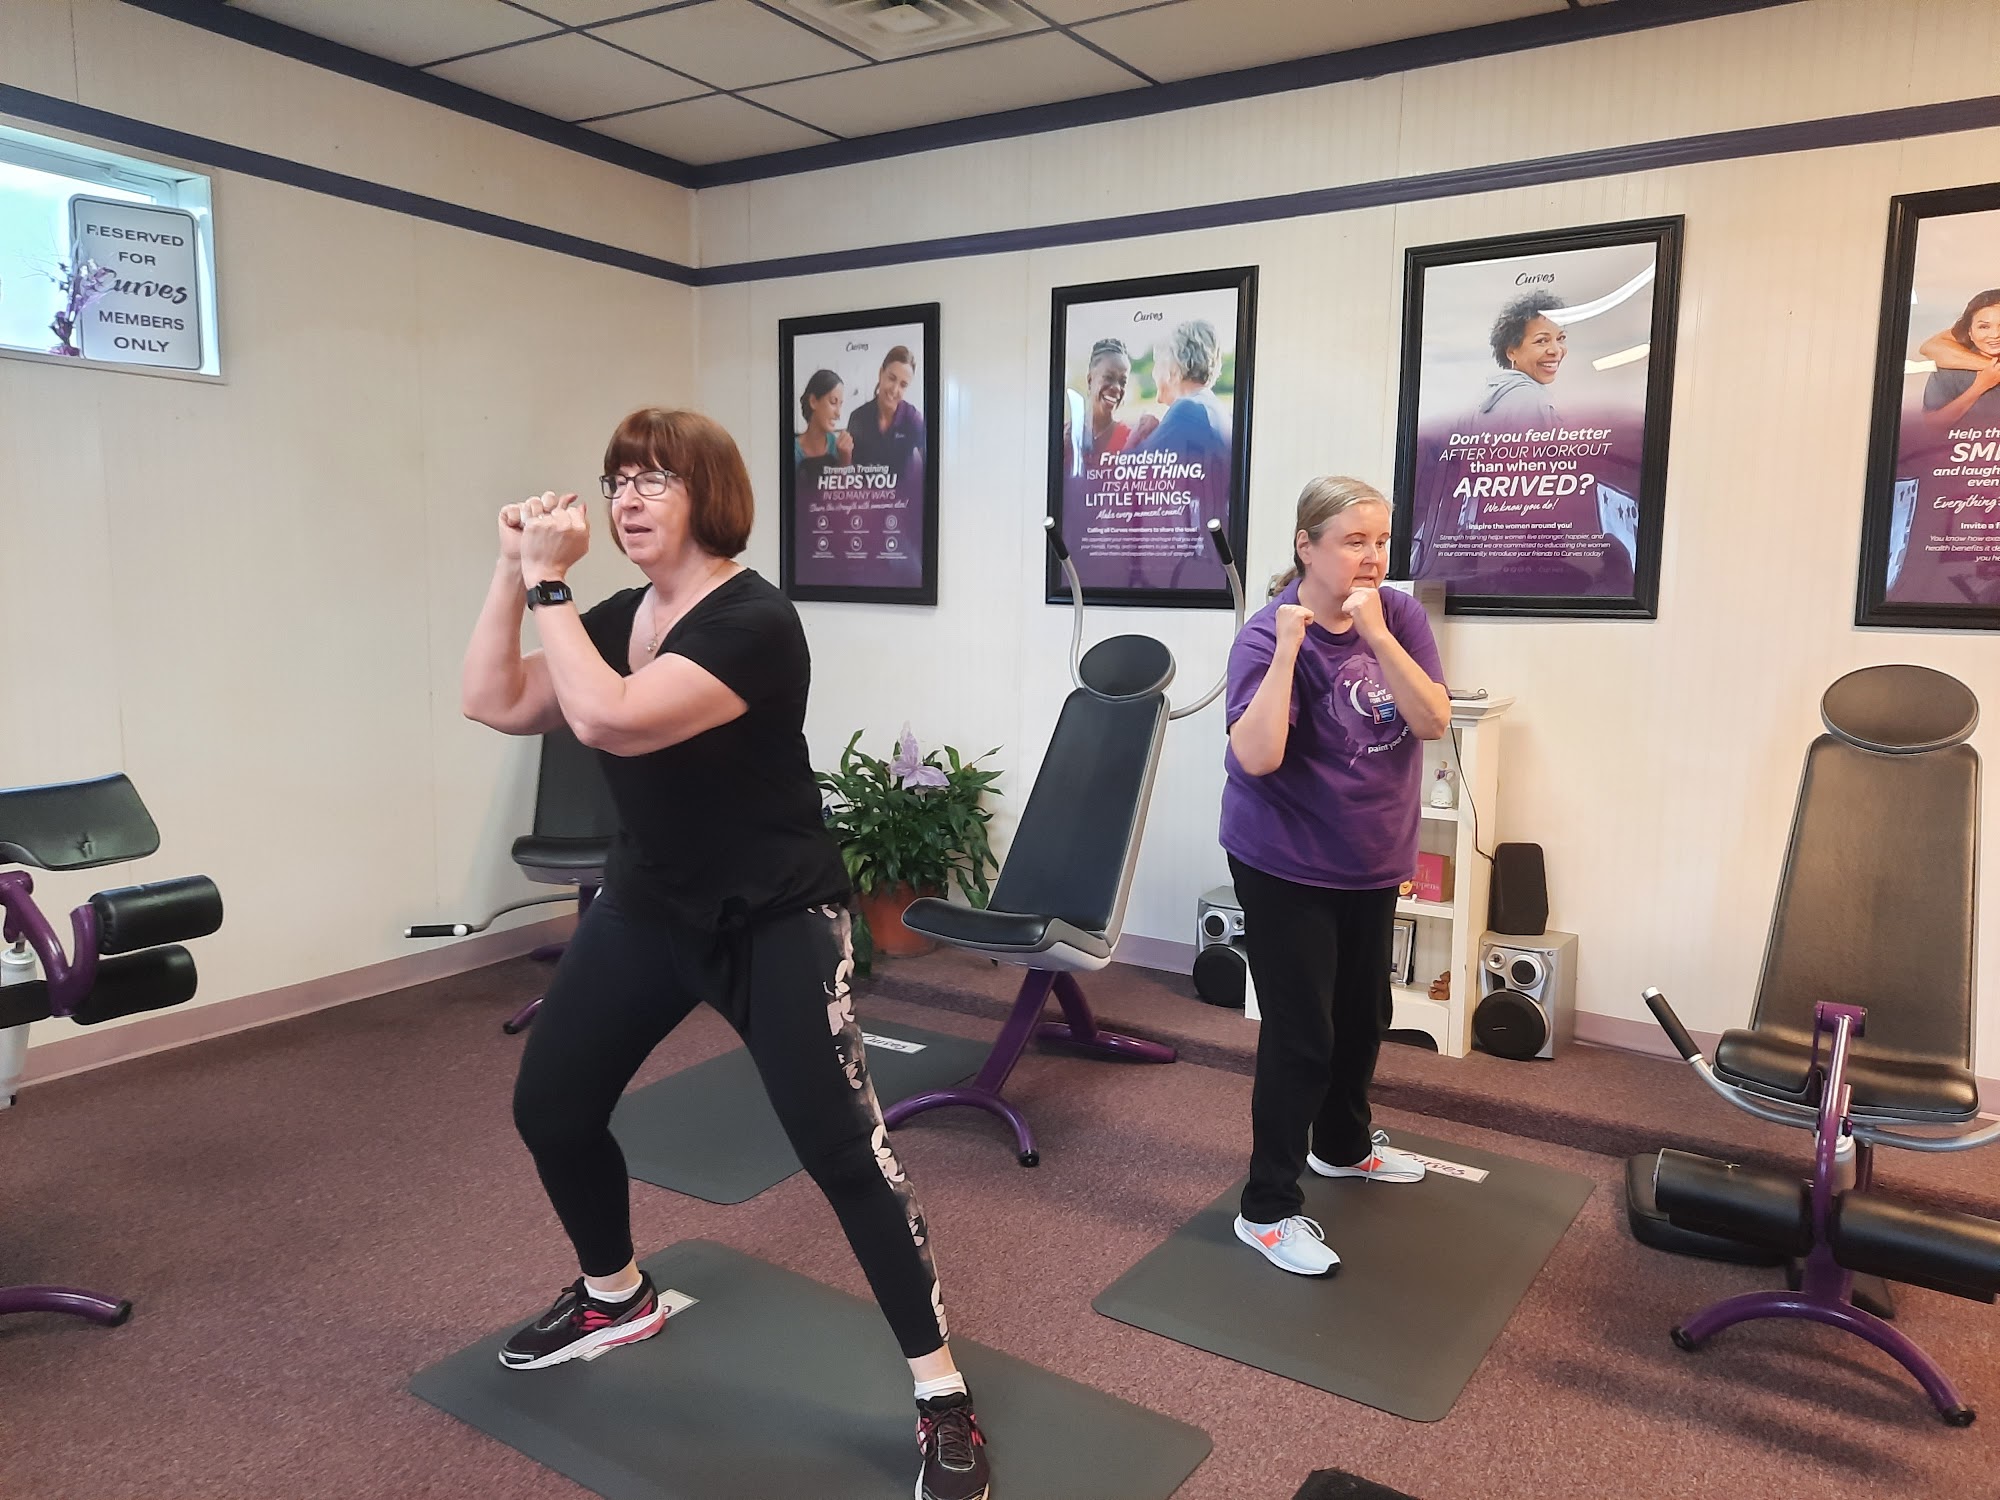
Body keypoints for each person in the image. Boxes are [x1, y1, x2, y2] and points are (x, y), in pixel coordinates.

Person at [459, 408, 990, 1500]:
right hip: (646, 911)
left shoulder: (753, 619)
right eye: (618, 479)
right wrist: (513, 570)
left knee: (843, 1154)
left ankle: (942, 1393)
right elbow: (494, 698)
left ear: (710, 494)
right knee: (551, 1107)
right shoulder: (621, 614)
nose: (628, 498)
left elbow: (607, 720)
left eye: (655, 477)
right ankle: (615, 1295)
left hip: (774, 921)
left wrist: (550, 586)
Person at [1220, 476, 1451, 1278]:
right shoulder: (1264, 636)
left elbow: (1431, 720)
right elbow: (1258, 756)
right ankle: (1266, 1209)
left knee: (1363, 1015)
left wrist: (1378, 633)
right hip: (1283, 860)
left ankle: (1343, 1146)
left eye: (1381, 541)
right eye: (1354, 541)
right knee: (1302, 1035)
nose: (1372, 556)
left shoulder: (1400, 617)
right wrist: (1291, 648)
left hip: (1369, 856)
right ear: (1305, 546)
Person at [1132, 319, 1231, 474]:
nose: (1153, 373)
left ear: (1172, 368)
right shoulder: (1216, 410)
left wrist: (1136, 436)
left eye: (1156, 363)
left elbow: (1123, 475)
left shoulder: (1187, 410)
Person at [1477, 290, 1567, 428]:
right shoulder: (1530, 399)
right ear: (1511, 352)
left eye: (1560, 338)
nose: (1556, 350)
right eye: (1542, 340)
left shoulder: (1495, 394)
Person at [1917, 290, 2000, 429]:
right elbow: (1932, 426)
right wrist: (1979, 387)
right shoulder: (1949, 371)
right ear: (1970, 332)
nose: (1995, 334)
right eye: (1984, 327)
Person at [847, 344, 926, 488]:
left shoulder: (913, 418)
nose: (895, 389)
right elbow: (850, 472)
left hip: (903, 498)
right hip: (867, 497)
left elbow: (931, 465)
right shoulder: (858, 417)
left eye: (903, 385)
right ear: (880, 373)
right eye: (891, 378)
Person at [795, 368, 854, 471]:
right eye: (833, 402)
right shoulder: (793, 450)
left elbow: (847, 481)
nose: (838, 414)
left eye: (840, 404)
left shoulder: (839, 448)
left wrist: (845, 459)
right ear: (813, 401)